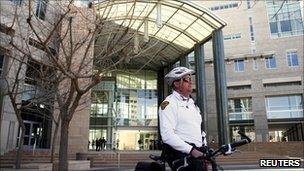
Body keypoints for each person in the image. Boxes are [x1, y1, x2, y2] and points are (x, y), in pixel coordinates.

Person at [159, 66, 207, 171]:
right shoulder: (168, 104)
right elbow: (167, 135)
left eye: (191, 79)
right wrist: (191, 150)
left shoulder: (192, 104)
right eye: (187, 80)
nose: (191, 82)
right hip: (182, 155)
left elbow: (200, 130)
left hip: (198, 153)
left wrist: (205, 147)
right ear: (176, 84)